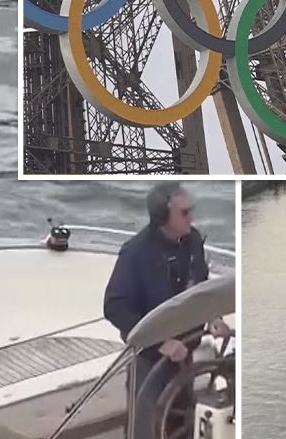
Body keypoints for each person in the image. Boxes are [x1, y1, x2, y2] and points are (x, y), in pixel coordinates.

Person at [103, 183, 230, 439]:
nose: (191, 217)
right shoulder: (135, 253)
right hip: (149, 360)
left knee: (179, 425)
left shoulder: (193, 241)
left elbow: (200, 289)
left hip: (185, 355)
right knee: (145, 429)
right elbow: (114, 306)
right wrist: (162, 343)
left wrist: (213, 316)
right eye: (184, 213)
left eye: (190, 211)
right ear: (162, 216)